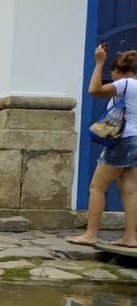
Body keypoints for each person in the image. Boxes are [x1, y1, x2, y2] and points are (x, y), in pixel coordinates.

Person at [68, 45, 137, 247]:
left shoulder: (125, 84)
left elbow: (94, 90)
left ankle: (91, 234)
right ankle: (130, 237)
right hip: (135, 141)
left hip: (122, 140)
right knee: (130, 191)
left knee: (97, 187)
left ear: (117, 70)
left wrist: (99, 62)